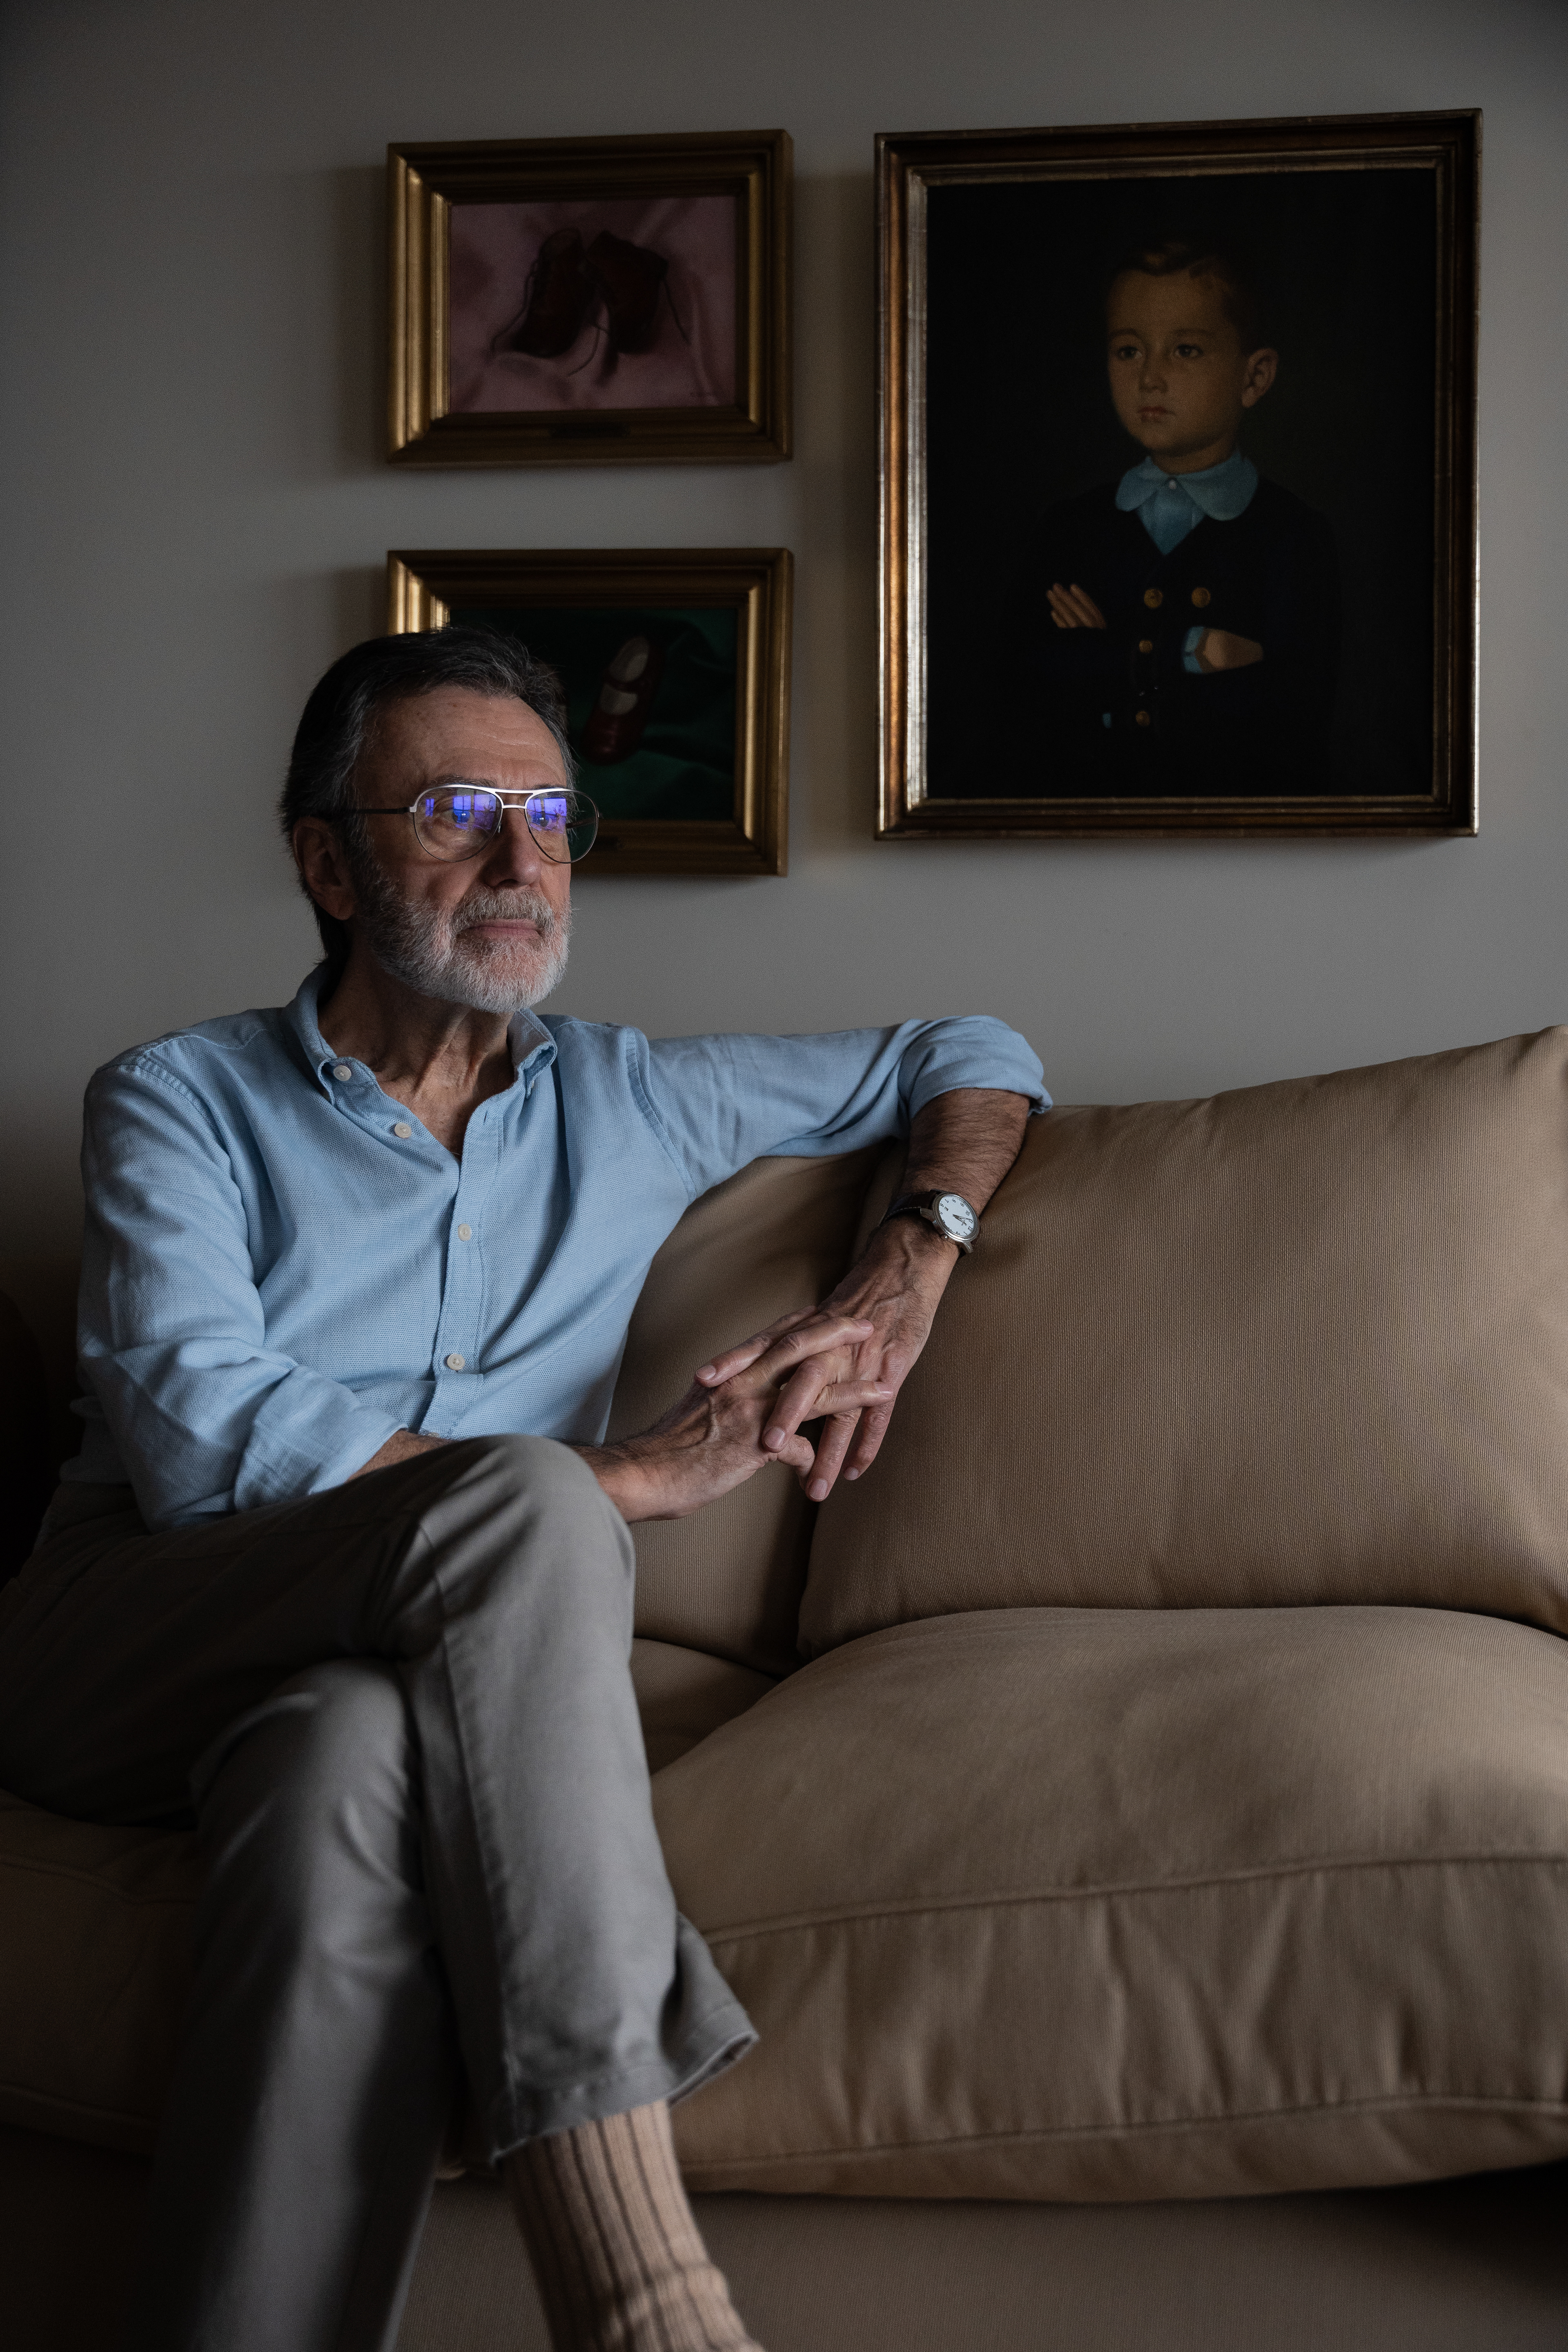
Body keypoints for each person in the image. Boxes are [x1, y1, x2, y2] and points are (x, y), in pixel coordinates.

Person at [0, 626, 1047, 2352]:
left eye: (552, 816)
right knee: (541, 1505)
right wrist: (619, 1481)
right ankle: (640, 2288)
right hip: (130, 1633)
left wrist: (911, 1262)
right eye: (458, 811)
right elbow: (203, 1451)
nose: (521, 859)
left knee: (342, 1764)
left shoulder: (636, 1097)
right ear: (327, 860)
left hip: (379, 1677)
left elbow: (976, 1045)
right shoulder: (174, 1102)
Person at [1029, 236, 1341, 797]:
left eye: (1186, 350)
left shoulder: (1297, 538)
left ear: (1255, 377)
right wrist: (1194, 653)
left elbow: (1290, 724)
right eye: (1129, 351)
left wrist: (1104, 657)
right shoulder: (1069, 530)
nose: (1149, 378)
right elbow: (1035, 698)